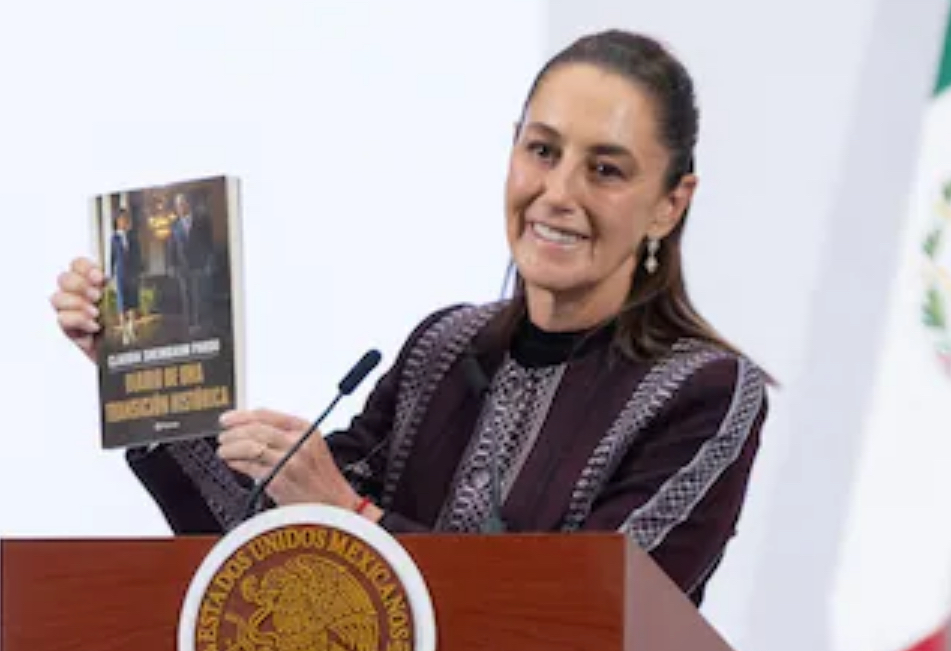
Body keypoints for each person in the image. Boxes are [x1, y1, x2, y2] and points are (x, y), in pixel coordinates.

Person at [50, 29, 770, 606]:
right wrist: (140, 368)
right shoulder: (445, 349)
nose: (557, 192)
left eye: (605, 169)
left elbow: (597, 609)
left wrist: (356, 518)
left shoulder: (702, 392)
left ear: (670, 203)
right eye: (541, 151)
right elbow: (263, 546)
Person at [166, 192, 215, 335]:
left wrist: (209, 262)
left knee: (199, 295)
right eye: (177, 205)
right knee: (186, 296)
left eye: (182, 204)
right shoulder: (174, 225)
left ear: (188, 204)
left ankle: (201, 323)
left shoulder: (202, 220)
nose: (179, 207)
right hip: (182, 267)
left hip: (199, 265)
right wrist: (171, 265)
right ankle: (190, 325)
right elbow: (171, 247)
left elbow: (209, 243)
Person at [108, 207, 141, 346]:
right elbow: (112, 258)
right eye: (121, 218)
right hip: (120, 274)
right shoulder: (114, 238)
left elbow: (138, 255)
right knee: (122, 304)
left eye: (125, 218)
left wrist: (139, 271)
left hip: (132, 274)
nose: (124, 220)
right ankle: (124, 334)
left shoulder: (132, 236)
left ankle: (132, 329)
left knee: (133, 301)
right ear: (116, 221)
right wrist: (111, 276)